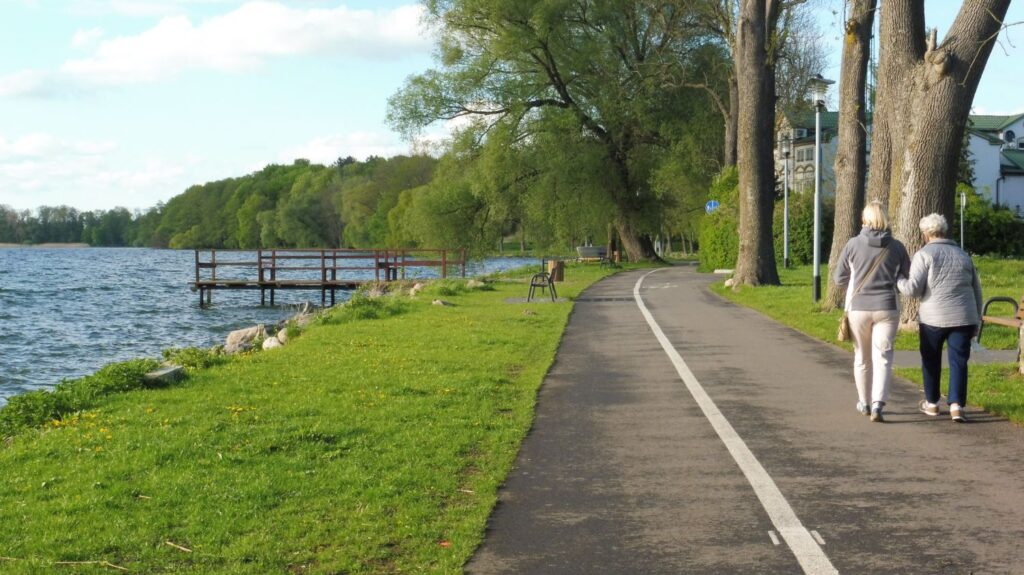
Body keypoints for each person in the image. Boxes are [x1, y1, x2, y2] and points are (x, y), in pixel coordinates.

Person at [897, 213, 983, 423]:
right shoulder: (963, 255)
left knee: (931, 359)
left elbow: (913, 290)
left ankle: (932, 403)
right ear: (944, 231)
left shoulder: (924, 255)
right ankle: (956, 406)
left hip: (933, 319)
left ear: (926, 234)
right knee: (959, 361)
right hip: (963, 317)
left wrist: (898, 279)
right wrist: (977, 319)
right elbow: (976, 290)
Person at [833, 201, 911, 423]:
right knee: (883, 357)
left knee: (862, 357)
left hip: (859, 308)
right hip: (887, 307)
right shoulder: (897, 247)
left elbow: (839, 279)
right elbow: (905, 276)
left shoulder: (852, 244)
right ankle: (878, 404)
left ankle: (864, 402)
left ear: (865, 220)